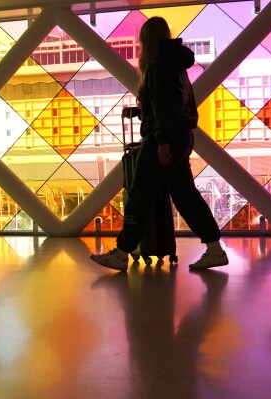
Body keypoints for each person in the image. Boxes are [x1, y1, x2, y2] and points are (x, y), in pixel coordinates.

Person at [90, 16, 228, 271]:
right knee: (186, 197)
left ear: (146, 39)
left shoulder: (157, 66)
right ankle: (215, 249)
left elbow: (164, 108)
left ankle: (121, 254)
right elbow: (172, 105)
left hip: (163, 140)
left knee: (139, 194)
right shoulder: (177, 66)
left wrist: (163, 140)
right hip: (183, 137)